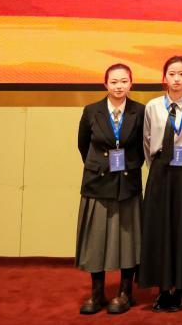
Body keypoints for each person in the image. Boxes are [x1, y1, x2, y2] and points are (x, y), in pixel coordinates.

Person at [75, 63, 145, 315]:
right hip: (97, 183)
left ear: (131, 83)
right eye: (114, 82)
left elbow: (142, 147)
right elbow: (83, 145)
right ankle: (97, 293)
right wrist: (100, 166)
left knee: (128, 240)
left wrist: (128, 165)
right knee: (96, 240)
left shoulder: (140, 111)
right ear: (105, 84)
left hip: (127, 183)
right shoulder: (91, 111)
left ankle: (125, 292)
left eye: (124, 81)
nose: (119, 86)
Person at [139, 56, 182, 311]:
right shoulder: (153, 106)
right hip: (160, 171)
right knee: (158, 228)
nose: (176, 79)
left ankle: (179, 288)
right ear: (164, 77)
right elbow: (147, 141)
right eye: (172, 74)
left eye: (181, 74)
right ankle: (161, 288)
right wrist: (157, 166)